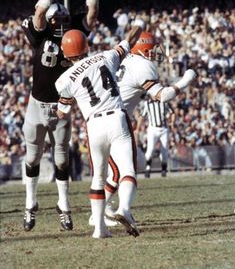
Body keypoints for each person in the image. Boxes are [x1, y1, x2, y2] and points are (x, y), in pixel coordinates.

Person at [21, 0, 103, 232]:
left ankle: (64, 206)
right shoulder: (41, 33)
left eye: (67, 18)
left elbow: (91, 13)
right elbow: (39, 12)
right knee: (32, 158)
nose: (65, 22)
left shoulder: (75, 31)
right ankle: (30, 204)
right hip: (37, 104)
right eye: (62, 18)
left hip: (62, 104)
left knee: (61, 158)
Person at [55, 26, 143, 238]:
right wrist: (139, 25)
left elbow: (61, 112)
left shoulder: (64, 79)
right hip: (117, 117)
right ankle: (124, 209)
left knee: (98, 178)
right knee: (127, 171)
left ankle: (99, 229)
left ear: (65, 52)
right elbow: (129, 39)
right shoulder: (106, 57)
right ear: (86, 45)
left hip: (93, 125)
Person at [104, 31, 196, 218]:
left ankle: (105, 211)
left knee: (119, 170)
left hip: (102, 118)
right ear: (144, 47)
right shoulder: (143, 65)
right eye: (152, 47)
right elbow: (163, 96)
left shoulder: (121, 58)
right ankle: (108, 212)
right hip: (115, 121)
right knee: (122, 171)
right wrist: (185, 81)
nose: (155, 51)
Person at [137, 95, 176, 178]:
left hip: (164, 128)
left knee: (164, 149)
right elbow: (141, 116)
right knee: (150, 149)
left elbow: (172, 112)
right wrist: (138, 128)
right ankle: (148, 168)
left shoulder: (164, 102)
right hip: (152, 129)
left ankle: (164, 169)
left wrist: (172, 122)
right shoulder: (147, 104)